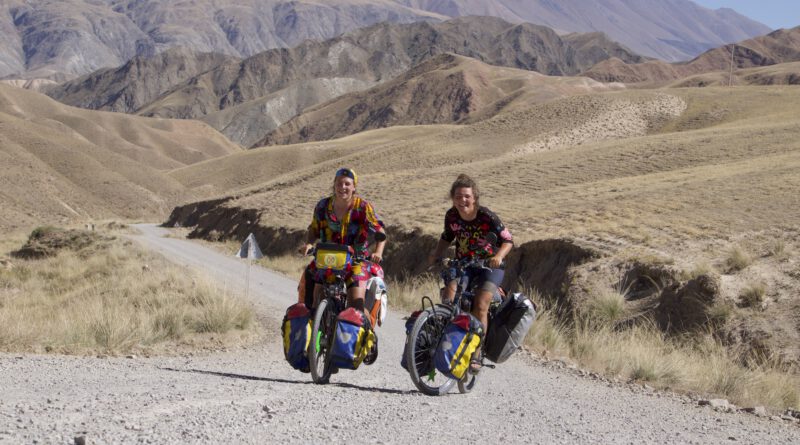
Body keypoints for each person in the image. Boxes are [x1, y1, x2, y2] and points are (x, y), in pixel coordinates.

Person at [428, 173, 513, 372]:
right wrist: (436, 254)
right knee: (449, 297)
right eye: (458, 196)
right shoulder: (451, 216)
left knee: (481, 304)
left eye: (466, 196)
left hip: (489, 267)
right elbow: (447, 237)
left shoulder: (487, 216)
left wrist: (498, 256)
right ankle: (444, 337)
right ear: (452, 198)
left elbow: (508, 240)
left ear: (474, 197)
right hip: (464, 263)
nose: (462, 200)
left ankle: (476, 351)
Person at [298, 168, 386, 327]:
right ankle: (315, 331)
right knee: (314, 297)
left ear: (354, 187)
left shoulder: (363, 207)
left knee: (356, 307)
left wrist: (378, 252)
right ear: (334, 185)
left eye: (347, 184)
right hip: (327, 258)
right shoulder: (323, 206)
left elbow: (380, 230)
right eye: (339, 183)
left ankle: (363, 334)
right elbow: (314, 229)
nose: (343, 187)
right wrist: (310, 243)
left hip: (356, 260)